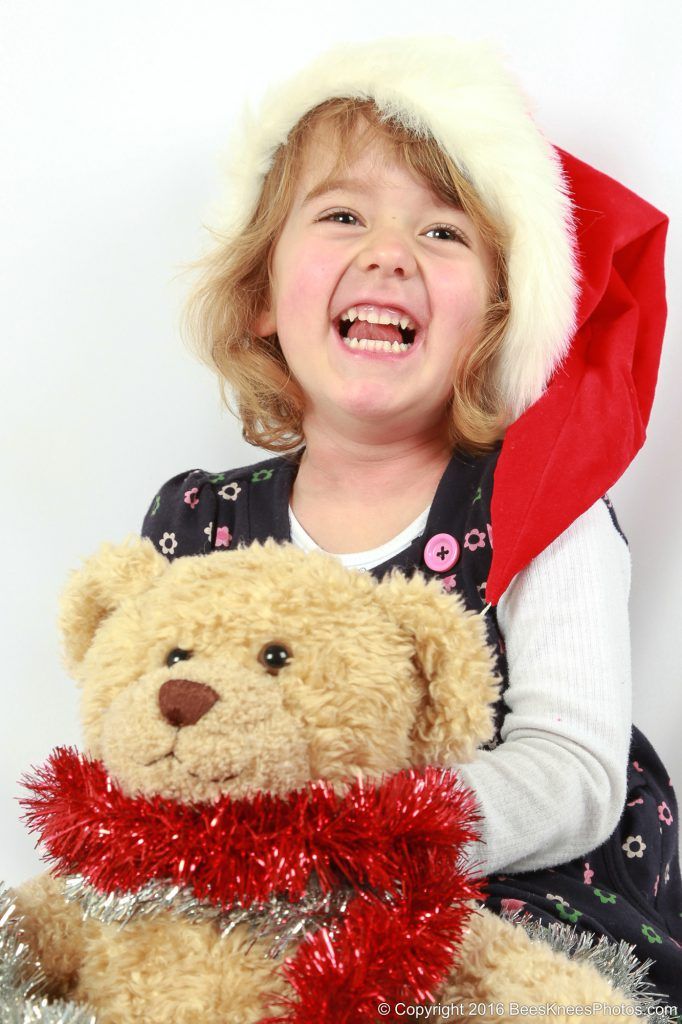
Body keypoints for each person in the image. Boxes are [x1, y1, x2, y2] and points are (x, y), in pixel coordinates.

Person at [141, 38, 682, 1005]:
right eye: (343, 214)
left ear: (498, 318)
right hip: (257, 901)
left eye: (443, 234)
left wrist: (367, 833)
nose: (388, 252)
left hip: (498, 904)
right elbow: (145, 731)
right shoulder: (199, 522)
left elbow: (576, 774)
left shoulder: (543, 510)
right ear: (263, 293)